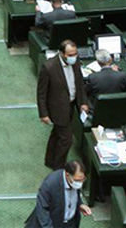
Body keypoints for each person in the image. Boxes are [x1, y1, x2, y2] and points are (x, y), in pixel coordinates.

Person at [37, 40, 88, 169]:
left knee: (57, 134)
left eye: (75, 54)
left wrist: (83, 103)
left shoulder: (75, 62)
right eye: (70, 55)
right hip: (57, 109)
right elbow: (41, 93)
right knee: (66, 140)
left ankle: (50, 160)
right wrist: (43, 114)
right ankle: (59, 168)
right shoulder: (49, 67)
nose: (73, 57)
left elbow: (79, 83)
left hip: (71, 106)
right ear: (61, 53)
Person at [25, 160, 91, 228]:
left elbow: (74, 195)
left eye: (83, 179)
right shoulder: (50, 184)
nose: (80, 183)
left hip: (70, 223)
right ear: (67, 175)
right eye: (77, 180)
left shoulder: (74, 181)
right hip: (52, 224)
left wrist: (80, 204)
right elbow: (42, 210)